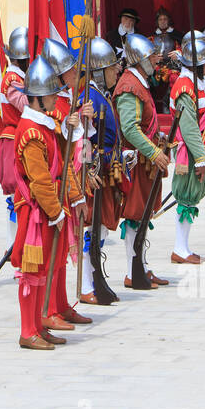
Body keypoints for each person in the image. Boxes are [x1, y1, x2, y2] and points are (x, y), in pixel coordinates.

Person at [11, 56, 83, 350]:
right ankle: (28, 330)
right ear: (38, 99)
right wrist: (56, 212)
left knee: (43, 272)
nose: (57, 96)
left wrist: (68, 129)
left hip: (50, 207)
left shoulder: (47, 125)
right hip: (37, 211)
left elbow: (62, 159)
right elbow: (40, 180)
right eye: (52, 93)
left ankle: (39, 325)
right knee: (31, 272)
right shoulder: (30, 131)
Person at [39, 37, 94, 328]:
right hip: (56, 184)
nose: (76, 75)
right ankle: (50, 307)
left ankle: (62, 303)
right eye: (71, 71)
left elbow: (80, 143)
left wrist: (83, 120)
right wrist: (69, 125)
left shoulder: (70, 101)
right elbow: (58, 148)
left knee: (61, 252)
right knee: (54, 250)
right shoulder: (55, 105)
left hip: (72, 179)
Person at [115, 34, 170, 285]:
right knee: (135, 214)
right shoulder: (129, 86)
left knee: (143, 216)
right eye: (150, 57)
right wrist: (154, 152)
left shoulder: (140, 82)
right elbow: (130, 129)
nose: (155, 61)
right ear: (139, 59)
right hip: (135, 162)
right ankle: (132, 270)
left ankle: (142, 266)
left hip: (144, 160)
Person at [78, 37, 123, 306]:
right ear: (97, 70)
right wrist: (85, 170)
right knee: (89, 229)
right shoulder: (89, 97)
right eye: (111, 67)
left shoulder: (99, 94)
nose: (116, 71)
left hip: (105, 168)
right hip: (94, 172)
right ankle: (85, 285)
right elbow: (82, 137)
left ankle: (95, 279)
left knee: (100, 230)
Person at [169, 32, 205, 264]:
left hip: (198, 148)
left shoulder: (195, 84)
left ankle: (183, 247)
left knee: (190, 200)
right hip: (190, 151)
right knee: (186, 197)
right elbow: (188, 127)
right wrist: (200, 159)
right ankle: (179, 248)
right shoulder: (186, 87)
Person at [0, 28, 30, 250]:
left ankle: (17, 242)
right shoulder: (13, 78)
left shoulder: (19, 76)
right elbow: (26, 105)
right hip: (13, 137)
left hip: (19, 136)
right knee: (15, 194)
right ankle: (13, 244)